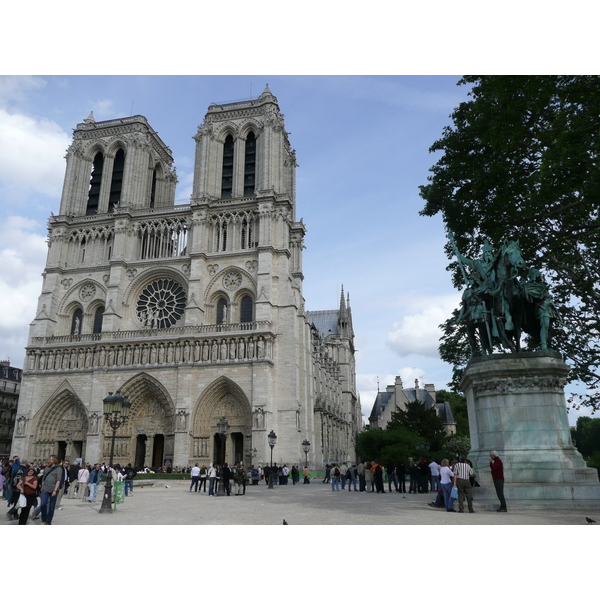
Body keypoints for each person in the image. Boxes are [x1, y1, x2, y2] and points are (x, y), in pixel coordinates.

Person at [38, 455, 63, 525]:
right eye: (49, 459)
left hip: (53, 489)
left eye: (51, 460)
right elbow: (43, 478)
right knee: (43, 504)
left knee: (51, 507)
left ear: (54, 460)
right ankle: (44, 519)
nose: (49, 461)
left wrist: (55, 490)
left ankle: (48, 522)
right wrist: (42, 486)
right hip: (45, 489)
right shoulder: (46, 468)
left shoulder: (58, 468)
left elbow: (58, 480)